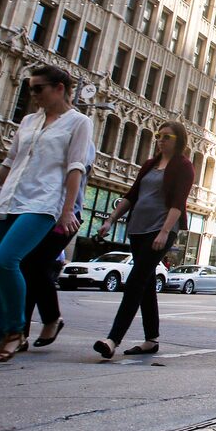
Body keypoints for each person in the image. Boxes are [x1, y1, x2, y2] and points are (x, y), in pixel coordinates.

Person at [0, 66, 93, 362]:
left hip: (43, 204)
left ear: (59, 88)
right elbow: (9, 165)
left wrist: (67, 210)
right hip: (9, 201)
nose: (32, 95)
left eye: (38, 88)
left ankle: (16, 332)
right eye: (30, 88)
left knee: (8, 261)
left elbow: (76, 168)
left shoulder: (79, 122)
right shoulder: (28, 121)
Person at [0, 142, 94, 349]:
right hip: (30, 210)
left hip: (63, 216)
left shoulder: (80, 137)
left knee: (32, 266)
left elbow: (74, 175)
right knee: (24, 267)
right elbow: (15, 177)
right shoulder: (37, 135)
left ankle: (41, 323)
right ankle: (22, 331)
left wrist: (67, 211)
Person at [92, 121, 194, 359]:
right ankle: (151, 340)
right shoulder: (149, 164)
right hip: (138, 228)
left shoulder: (184, 166)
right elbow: (132, 194)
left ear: (179, 140)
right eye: (159, 135)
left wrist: (164, 232)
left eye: (167, 136)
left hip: (160, 230)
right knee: (146, 284)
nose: (161, 139)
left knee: (136, 281)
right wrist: (110, 220)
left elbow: (179, 203)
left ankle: (112, 339)